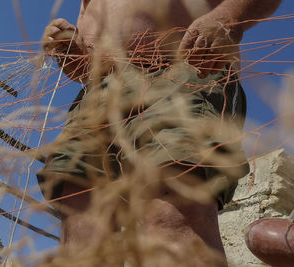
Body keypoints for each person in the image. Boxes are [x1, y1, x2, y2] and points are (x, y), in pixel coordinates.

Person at [37, 0, 282, 265]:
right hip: (101, 89)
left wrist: (228, 17)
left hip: (188, 68)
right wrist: (74, 53)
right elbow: (86, 59)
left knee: (171, 217)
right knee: (82, 230)